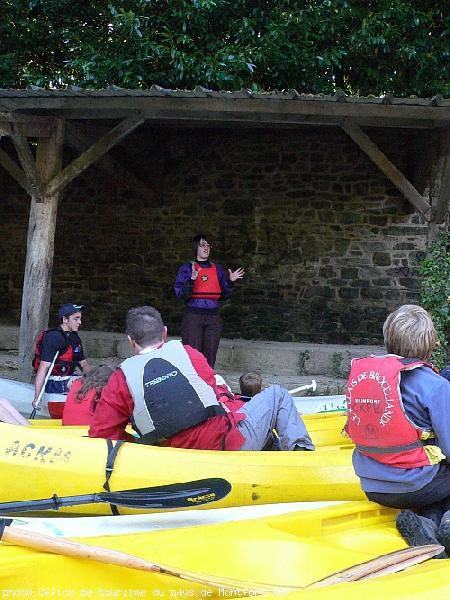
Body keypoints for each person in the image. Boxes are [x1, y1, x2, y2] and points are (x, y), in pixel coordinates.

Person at [89, 305, 314, 453]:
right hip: (224, 445)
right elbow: (219, 401)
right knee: (278, 395)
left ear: (130, 340)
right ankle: (301, 458)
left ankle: (272, 449)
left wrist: (142, 448)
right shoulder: (189, 354)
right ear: (165, 333)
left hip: (171, 456)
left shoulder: (119, 380)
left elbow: (102, 436)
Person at [344, 304, 450, 557]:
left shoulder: (366, 380)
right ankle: (446, 522)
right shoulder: (436, 386)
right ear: (428, 343)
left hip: (371, 483)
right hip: (414, 484)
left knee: (436, 481)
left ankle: (427, 524)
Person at [173, 234, 245, 367]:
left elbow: (223, 294)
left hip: (213, 317)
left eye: (208, 245)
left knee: (210, 353)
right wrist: (192, 280)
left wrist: (230, 281)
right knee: (193, 354)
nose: (206, 248)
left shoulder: (217, 269)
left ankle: (208, 383)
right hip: (193, 316)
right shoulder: (187, 268)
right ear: (196, 248)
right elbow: (180, 294)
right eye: (202, 245)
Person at [32, 303, 91, 417]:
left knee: (92, 379)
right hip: (51, 382)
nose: (80, 322)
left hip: (67, 379)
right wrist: (36, 398)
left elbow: (84, 364)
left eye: (80, 318)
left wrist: (95, 379)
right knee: (77, 381)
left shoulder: (74, 337)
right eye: (76, 319)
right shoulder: (53, 337)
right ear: (65, 319)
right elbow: (43, 368)